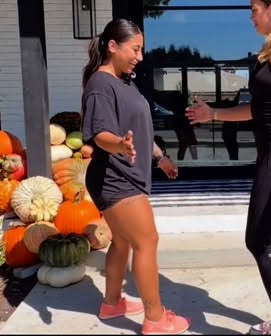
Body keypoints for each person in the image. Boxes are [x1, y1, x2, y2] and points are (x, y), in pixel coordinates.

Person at [187, 0, 271, 336]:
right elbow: (260, 111)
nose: (250, 17)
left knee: (258, 240)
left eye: (253, 9)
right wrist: (212, 114)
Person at [81, 19, 190, 336]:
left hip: (127, 172)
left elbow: (140, 131)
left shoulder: (125, 82)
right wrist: (119, 145)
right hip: (114, 177)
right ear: (113, 46)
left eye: (141, 49)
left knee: (124, 241)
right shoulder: (100, 85)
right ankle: (155, 319)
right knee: (147, 241)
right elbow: (100, 134)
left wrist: (160, 158)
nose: (140, 57)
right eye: (135, 49)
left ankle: (112, 304)